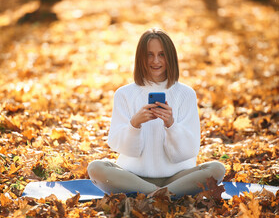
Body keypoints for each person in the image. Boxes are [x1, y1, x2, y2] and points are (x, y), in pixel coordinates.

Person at [87, 28, 225, 197]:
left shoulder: (186, 94)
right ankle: (163, 195)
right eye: (149, 55)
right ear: (140, 58)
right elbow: (116, 144)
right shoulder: (124, 94)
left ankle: (153, 195)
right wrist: (134, 124)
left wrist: (171, 125)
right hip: (132, 177)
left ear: (170, 57)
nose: (155, 61)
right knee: (95, 168)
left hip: (177, 178)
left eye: (161, 54)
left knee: (217, 169)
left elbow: (190, 149)